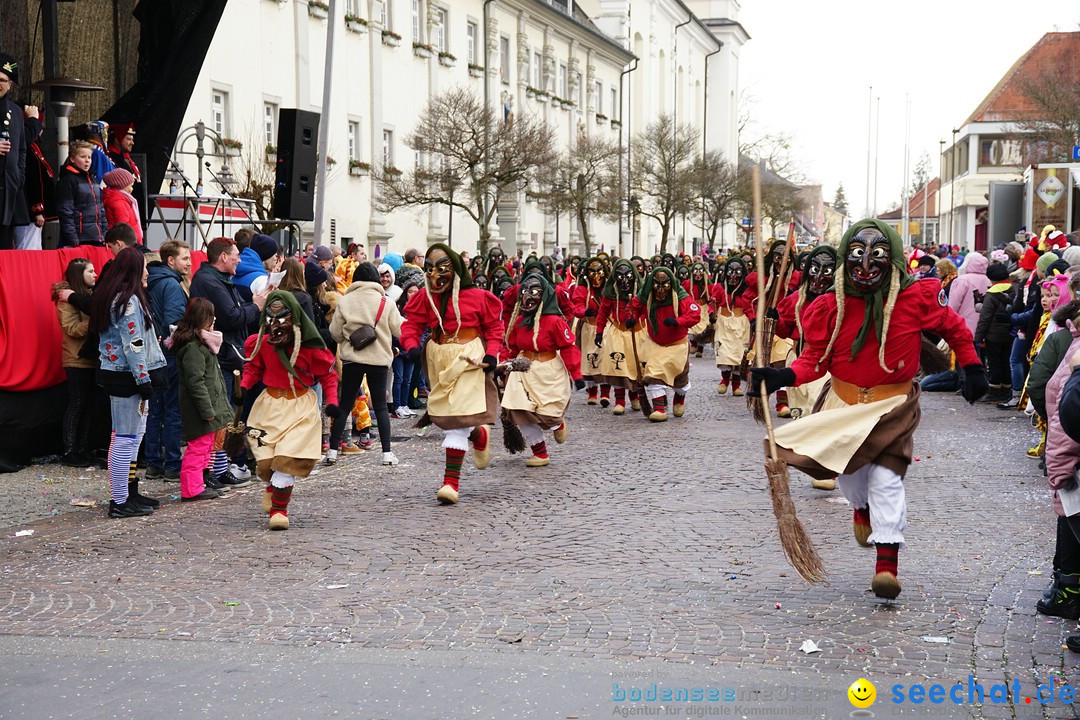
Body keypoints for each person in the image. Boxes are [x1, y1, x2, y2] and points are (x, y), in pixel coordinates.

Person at [751, 220, 986, 600]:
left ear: (891, 260)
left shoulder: (917, 297)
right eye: (857, 256)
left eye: (875, 256)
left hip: (893, 404)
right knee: (851, 478)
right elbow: (814, 359)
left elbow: (954, 328)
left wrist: (972, 366)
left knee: (887, 479)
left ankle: (887, 565)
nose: (865, 266)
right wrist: (781, 377)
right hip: (843, 403)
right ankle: (860, 507)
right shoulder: (829, 306)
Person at [399, 244, 503, 504]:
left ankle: (450, 483)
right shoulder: (424, 297)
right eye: (430, 270)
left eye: (441, 269)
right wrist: (411, 346)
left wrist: (492, 353)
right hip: (438, 359)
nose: (435, 276)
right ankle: (479, 434)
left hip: (469, 358)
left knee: (456, 422)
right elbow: (411, 323)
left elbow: (493, 327)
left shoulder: (478, 297)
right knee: (447, 415)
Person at [242, 291, 339, 530]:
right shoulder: (263, 343)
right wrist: (243, 386)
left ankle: (279, 510)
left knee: (288, 459)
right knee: (265, 462)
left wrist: (333, 401)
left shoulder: (309, 348)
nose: (276, 325)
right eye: (271, 319)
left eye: (281, 318)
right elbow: (254, 367)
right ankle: (271, 486)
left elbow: (328, 375)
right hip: (269, 406)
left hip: (300, 408)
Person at [89, 247, 168, 518]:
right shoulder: (128, 301)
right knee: (125, 439)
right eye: (144, 267)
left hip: (121, 373)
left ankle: (129, 493)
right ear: (135, 270)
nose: (148, 272)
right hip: (126, 376)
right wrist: (143, 379)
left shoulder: (117, 297)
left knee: (131, 437)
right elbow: (133, 344)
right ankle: (120, 500)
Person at [189, 237, 267, 487]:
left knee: (227, 414)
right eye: (235, 255)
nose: (239, 260)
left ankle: (220, 468)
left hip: (228, 354)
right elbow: (233, 316)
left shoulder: (220, 280)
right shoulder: (209, 281)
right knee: (221, 416)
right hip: (222, 357)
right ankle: (211, 471)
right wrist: (255, 306)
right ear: (223, 257)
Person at [502, 273, 583, 466]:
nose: (528, 297)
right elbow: (510, 346)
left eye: (534, 292)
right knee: (520, 411)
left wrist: (577, 374)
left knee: (548, 414)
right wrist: (501, 363)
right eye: (524, 292)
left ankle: (557, 423)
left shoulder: (555, 321)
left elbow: (568, 347)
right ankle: (540, 453)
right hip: (522, 372)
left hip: (549, 373)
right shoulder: (519, 321)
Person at [327, 262, 402, 466]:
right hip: (378, 360)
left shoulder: (345, 300)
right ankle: (387, 453)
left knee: (345, 405)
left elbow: (334, 333)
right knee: (379, 406)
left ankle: (333, 451)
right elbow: (398, 330)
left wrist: (348, 338)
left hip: (352, 359)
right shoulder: (386, 302)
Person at [170, 297, 230, 502]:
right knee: (197, 449)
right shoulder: (193, 347)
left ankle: (199, 484)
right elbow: (196, 382)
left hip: (207, 407)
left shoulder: (200, 344)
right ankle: (191, 489)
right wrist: (207, 410)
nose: (214, 320)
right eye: (211, 316)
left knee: (204, 448)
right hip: (200, 409)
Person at [144, 240, 191, 480]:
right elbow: (174, 324)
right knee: (172, 410)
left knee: (156, 410)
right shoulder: (171, 285)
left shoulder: (149, 281)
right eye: (184, 258)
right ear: (170, 260)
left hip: (152, 355)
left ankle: (153, 463)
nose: (189, 262)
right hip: (169, 355)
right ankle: (172, 464)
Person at [630, 267, 699, 421]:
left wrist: (678, 321)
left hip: (677, 345)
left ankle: (679, 398)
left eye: (664, 285)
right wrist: (633, 318)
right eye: (657, 285)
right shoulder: (647, 295)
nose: (661, 290)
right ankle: (659, 409)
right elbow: (636, 307)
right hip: (654, 344)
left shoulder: (680, 296)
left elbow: (695, 314)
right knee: (653, 372)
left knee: (679, 380)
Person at [53, 258, 98, 467]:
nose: (95, 274)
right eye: (90, 271)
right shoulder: (65, 299)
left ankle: (82, 448)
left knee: (88, 406)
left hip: (90, 358)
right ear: (80, 275)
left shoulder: (88, 296)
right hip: (76, 359)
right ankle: (69, 450)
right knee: (77, 404)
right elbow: (71, 329)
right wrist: (95, 318)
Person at [595, 259, 645, 415]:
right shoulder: (610, 293)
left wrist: (636, 319)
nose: (624, 280)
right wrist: (598, 331)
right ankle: (619, 401)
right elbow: (603, 312)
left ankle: (635, 396)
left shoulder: (641, 290)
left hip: (636, 333)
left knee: (634, 367)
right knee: (618, 367)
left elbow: (647, 308)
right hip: (617, 332)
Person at [709, 257, 753, 396]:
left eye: (737, 271)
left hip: (741, 325)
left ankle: (736, 385)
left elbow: (750, 306)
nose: (733, 275)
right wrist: (712, 313)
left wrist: (753, 320)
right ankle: (724, 380)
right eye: (731, 271)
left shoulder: (747, 289)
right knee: (724, 353)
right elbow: (712, 304)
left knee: (739, 355)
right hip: (724, 324)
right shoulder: (720, 287)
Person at [0, 53, 30, 249]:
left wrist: (18, 177)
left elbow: (21, 149)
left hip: (7, 191)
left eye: (2, 80)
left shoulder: (16, 112)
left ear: (10, 84)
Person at [974, 263, 1015, 404]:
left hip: (993, 334)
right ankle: (1007, 390)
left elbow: (985, 318)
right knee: (1006, 362)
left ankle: (994, 391)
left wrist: (978, 337)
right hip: (1010, 333)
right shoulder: (1014, 289)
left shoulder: (992, 294)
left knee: (994, 363)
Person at [572, 257, 611, 406]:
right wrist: (584, 312)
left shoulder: (609, 287)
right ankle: (592, 392)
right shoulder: (582, 289)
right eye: (592, 271)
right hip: (588, 328)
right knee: (590, 359)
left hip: (607, 327)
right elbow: (576, 306)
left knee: (605, 360)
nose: (596, 275)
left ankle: (606, 393)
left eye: (598, 271)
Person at [55, 141, 107, 247]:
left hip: (96, 237)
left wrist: (105, 235)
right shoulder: (68, 180)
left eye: (89, 157)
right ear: (72, 159)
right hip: (79, 239)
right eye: (83, 157)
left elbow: (101, 210)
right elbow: (66, 211)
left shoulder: (93, 179)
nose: (87, 160)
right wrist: (73, 238)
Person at [101, 168, 143, 243]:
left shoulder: (122, 200)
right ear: (121, 186)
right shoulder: (119, 202)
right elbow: (123, 226)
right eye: (130, 186)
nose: (132, 189)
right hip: (128, 243)